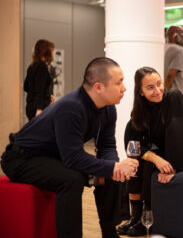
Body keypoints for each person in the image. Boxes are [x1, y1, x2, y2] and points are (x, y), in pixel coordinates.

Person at [1, 57, 138, 238]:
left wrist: (114, 169)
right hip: (21, 159)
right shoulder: (72, 107)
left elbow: (107, 145)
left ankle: (109, 233)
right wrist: (113, 167)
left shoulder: (107, 109)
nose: (124, 88)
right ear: (98, 87)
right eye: (119, 82)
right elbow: (73, 158)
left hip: (51, 157)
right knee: (72, 179)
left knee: (109, 168)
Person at [119, 67, 183, 236]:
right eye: (150, 87)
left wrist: (171, 167)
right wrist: (154, 157)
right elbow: (131, 141)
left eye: (159, 84)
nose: (158, 90)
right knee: (135, 161)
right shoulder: (142, 108)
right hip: (166, 152)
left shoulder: (173, 97)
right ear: (141, 92)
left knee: (149, 166)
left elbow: (177, 134)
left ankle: (147, 216)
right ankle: (135, 216)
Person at [23, 39, 55, 120]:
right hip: (39, 110)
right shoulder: (42, 67)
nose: (52, 53)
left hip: (30, 107)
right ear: (46, 51)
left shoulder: (32, 66)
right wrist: (39, 109)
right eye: (51, 51)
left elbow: (26, 87)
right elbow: (39, 90)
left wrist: (47, 96)